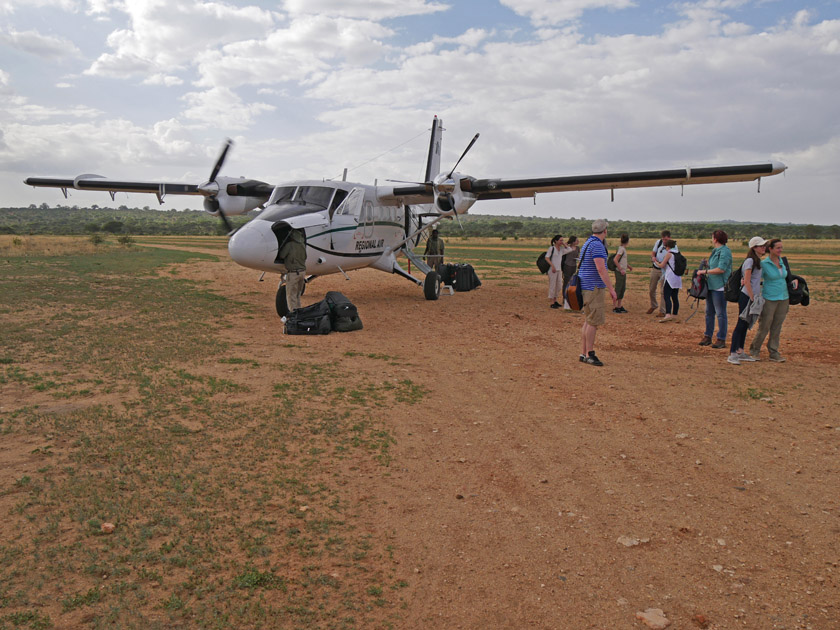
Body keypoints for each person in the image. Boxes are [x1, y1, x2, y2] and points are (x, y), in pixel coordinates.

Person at [749, 239, 797, 362]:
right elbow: (755, 277)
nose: (780, 250)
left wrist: (794, 281)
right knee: (764, 325)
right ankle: (754, 350)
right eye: (778, 248)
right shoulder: (764, 264)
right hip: (769, 298)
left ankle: (774, 352)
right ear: (770, 249)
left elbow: (784, 277)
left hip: (784, 297)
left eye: (781, 247)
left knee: (777, 326)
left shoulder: (782, 261)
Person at [578, 219, 617, 366]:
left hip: (585, 285)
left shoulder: (587, 243)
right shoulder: (598, 246)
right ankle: (590, 354)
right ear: (605, 231)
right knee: (593, 322)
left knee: (588, 320)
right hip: (594, 287)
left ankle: (583, 353)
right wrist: (612, 289)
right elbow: (601, 269)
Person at [727, 237, 767, 365]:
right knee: (741, 323)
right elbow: (747, 281)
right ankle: (732, 353)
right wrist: (752, 297)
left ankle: (740, 351)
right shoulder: (750, 261)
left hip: (751, 296)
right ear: (754, 247)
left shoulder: (756, 261)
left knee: (745, 324)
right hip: (747, 296)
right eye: (761, 246)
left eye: (763, 245)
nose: (763, 248)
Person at [697, 230, 732, 348]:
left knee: (721, 313)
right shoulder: (715, 250)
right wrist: (707, 265)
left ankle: (721, 339)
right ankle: (708, 336)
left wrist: (704, 271)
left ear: (715, 239)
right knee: (709, 312)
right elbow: (716, 267)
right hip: (711, 285)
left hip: (720, 286)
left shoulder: (725, 251)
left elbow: (721, 269)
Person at [278, 228, 307, 312]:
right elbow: (305, 257)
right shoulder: (302, 245)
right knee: (297, 295)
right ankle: (299, 311)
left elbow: (282, 256)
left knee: (291, 296)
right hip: (302, 272)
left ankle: (293, 314)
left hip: (293, 273)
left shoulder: (289, 245)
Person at [657, 238, 682, 322]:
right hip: (678, 277)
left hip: (670, 277)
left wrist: (656, 262)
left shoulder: (669, 254)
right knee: (675, 297)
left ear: (667, 246)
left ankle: (668, 314)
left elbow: (661, 265)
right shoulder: (678, 254)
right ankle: (675, 315)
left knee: (666, 296)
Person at [546, 235, 573, 309]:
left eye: (562, 240)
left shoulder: (561, 249)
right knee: (552, 285)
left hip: (559, 270)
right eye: (560, 240)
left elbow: (570, 250)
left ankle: (555, 300)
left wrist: (564, 244)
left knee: (559, 285)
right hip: (552, 270)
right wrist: (552, 266)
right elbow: (547, 257)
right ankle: (552, 302)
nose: (562, 242)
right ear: (555, 241)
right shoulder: (551, 248)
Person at [648, 230, 671, 316]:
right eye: (663, 239)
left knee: (663, 291)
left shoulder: (673, 246)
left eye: (666, 239)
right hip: (655, 268)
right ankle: (654, 305)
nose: (664, 241)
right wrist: (653, 257)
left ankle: (662, 311)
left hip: (665, 271)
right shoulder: (658, 242)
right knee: (651, 289)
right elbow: (653, 252)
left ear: (669, 238)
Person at [613, 233, 633, 313]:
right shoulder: (621, 249)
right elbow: (615, 260)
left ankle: (619, 305)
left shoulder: (622, 249)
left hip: (622, 271)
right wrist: (620, 269)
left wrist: (628, 266)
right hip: (620, 272)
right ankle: (615, 307)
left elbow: (621, 260)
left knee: (622, 288)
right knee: (618, 288)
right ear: (627, 241)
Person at [561, 235, 580, 309]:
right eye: (576, 240)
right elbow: (564, 246)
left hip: (573, 265)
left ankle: (569, 297)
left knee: (572, 281)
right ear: (573, 241)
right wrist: (566, 244)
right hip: (567, 265)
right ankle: (564, 298)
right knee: (566, 281)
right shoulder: (567, 247)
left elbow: (578, 255)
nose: (578, 242)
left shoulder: (578, 248)